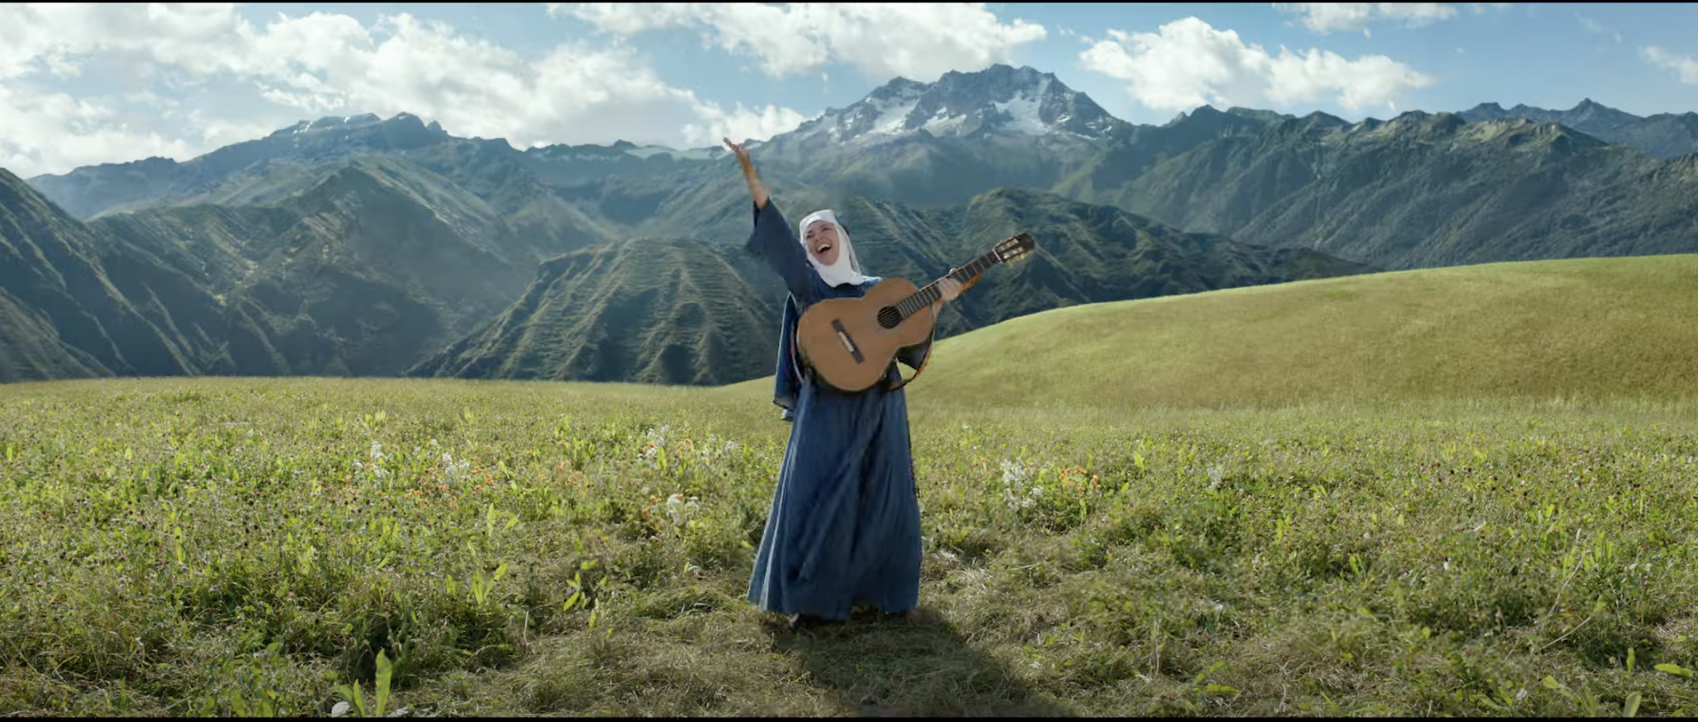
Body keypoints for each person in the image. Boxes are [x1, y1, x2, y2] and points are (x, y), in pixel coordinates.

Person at [724, 137, 964, 630]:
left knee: (881, 494)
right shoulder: (810, 289)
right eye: (809, 235)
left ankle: (881, 594)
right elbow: (777, 244)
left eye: (823, 231)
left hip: (879, 405)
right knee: (817, 495)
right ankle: (813, 602)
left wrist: (941, 299)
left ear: (843, 238)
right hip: (826, 407)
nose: (815, 240)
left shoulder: (879, 292)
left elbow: (908, 338)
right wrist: (751, 174)